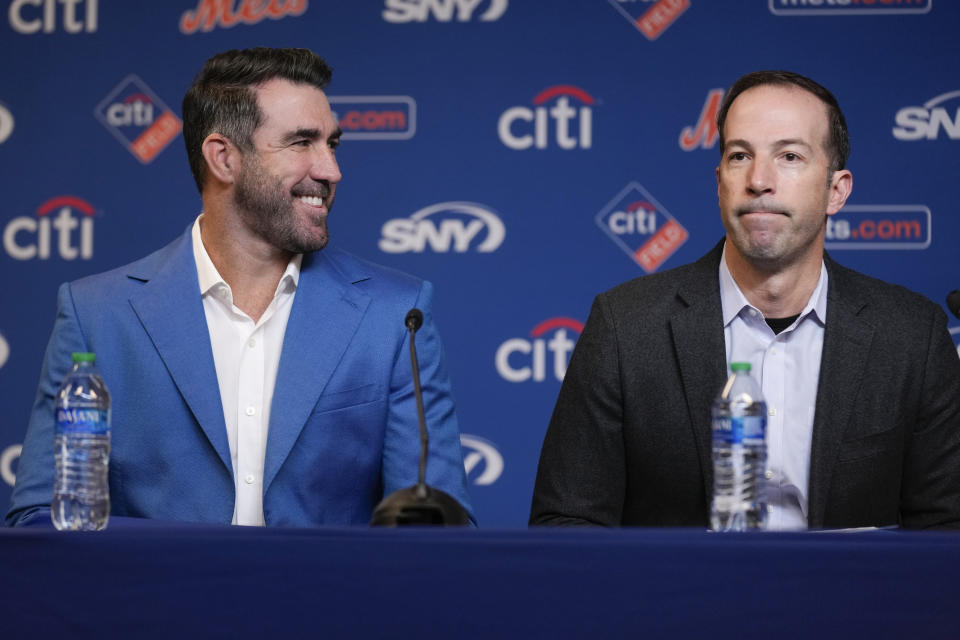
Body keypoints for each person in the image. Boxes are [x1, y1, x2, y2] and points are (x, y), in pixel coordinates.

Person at [7, 48, 473, 527]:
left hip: (331, 602)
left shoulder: (395, 315)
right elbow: (42, 517)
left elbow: (436, 529)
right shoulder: (97, 316)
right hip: (153, 601)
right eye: (301, 142)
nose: (330, 169)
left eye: (332, 143)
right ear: (224, 158)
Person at [530, 70, 960, 530]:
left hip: (849, 600)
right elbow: (566, 523)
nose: (759, 180)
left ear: (837, 191)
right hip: (678, 600)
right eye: (740, 156)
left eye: (790, 156)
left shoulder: (912, 335)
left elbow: (946, 530)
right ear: (720, 183)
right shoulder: (626, 327)